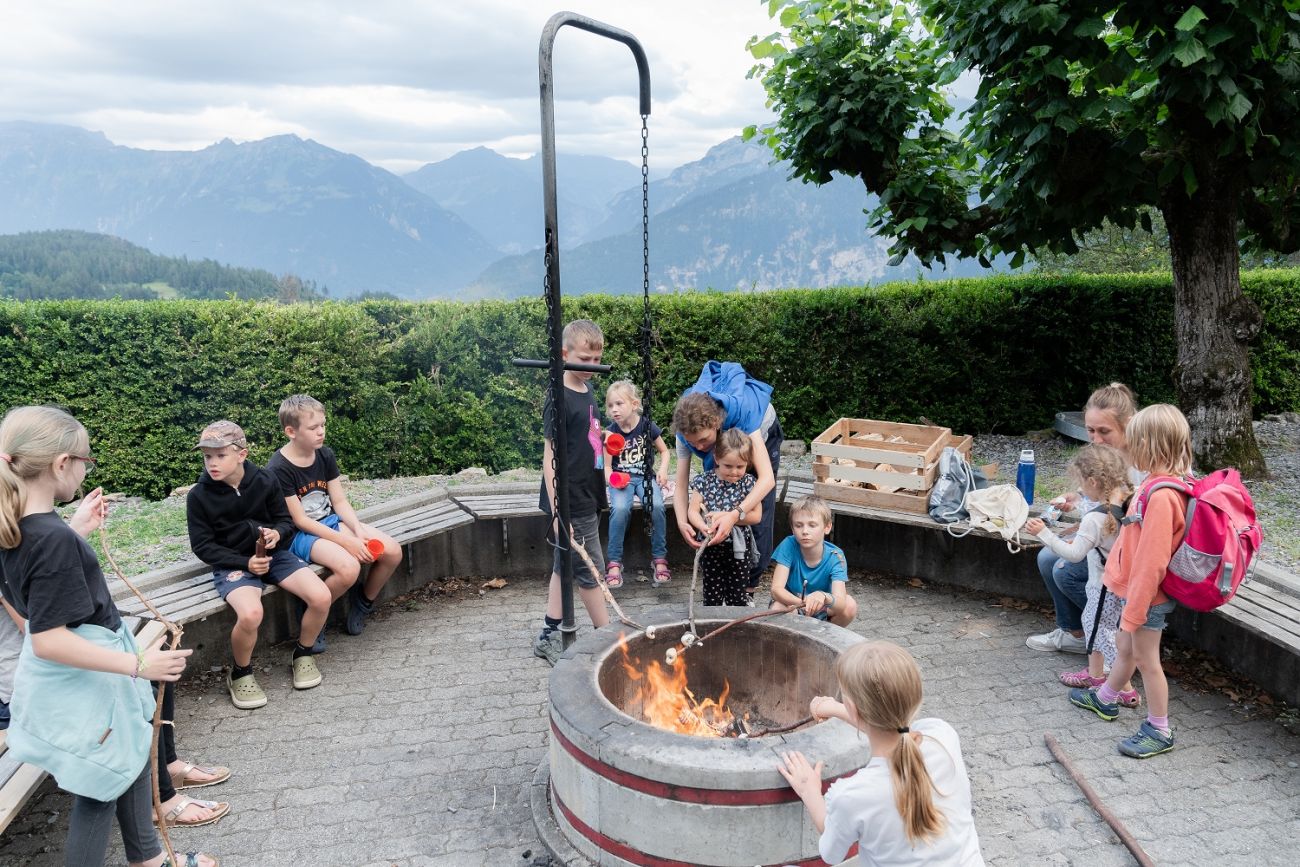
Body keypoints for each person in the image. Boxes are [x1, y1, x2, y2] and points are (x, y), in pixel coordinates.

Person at [0, 405, 218, 867]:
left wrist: (76, 530)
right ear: (62, 463)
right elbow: (48, 639)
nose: (86, 469)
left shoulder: (21, 528)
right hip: (89, 675)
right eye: (86, 460)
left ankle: (148, 857)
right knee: (100, 787)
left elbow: (38, 590)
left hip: (83, 673)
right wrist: (139, 664)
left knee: (130, 753)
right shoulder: (51, 539)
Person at [777, 641, 984, 866]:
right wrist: (836, 709)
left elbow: (831, 854)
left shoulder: (851, 795)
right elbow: (894, 729)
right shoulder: (943, 736)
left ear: (853, 708)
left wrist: (809, 791)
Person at [1070, 404, 1192, 758]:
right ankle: (1106, 697)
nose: (1127, 449)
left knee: (1146, 660)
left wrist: (1135, 610)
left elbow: (1152, 563)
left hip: (1147, 599)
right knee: (1124, 648)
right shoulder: (1152, 484)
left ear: (1150, 446)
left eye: (1134, 442)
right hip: (1135, 594)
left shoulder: (1163, 497)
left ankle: (1160, 728)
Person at [187, 420, 328, 707]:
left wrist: (278, 534)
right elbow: (203, 546)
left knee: (321, 596)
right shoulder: (198, 496)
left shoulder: (265, 480)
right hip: (233, 563)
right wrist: (245, 562)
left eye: (220, 455)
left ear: (242, 454)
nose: (212, 463)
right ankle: (240, 673)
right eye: (207, 456)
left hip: (274, 556)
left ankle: (303, 653)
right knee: (251, 614)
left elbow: (285, 521)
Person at [268, 394, 402, 639]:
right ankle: (313, 615)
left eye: (323, 424)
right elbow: (300, 521)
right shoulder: (278, 468)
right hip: (298, 534)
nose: (321, 431)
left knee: (392, 551)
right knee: (349, 569)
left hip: (329, 521)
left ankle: (362, 603)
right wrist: (347, 542)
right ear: (291, 431)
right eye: (313, 428)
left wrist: (357, 530)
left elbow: (339, 501)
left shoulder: (324, 454)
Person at [1026, 382, 1139, 653]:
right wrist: (1077, 497)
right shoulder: (1110, 451)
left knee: (1063, 570)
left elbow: (1129, 512)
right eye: (1090, 430)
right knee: (1047, 558)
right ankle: (1076, 633)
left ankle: (1111, 636)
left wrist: (1057, 532)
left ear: (1128, 424)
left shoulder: (1142, 460)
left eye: (1104, 431)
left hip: (1130, 548)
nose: (1096, 439)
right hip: (1109, 537)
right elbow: (1101, 490)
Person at [1023, 445, 1138, 706]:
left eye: (1082, 484)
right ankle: (1096, 677)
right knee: (1095, 629)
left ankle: (1125, 690)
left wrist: (1044, 533)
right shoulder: (1124, 503)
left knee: (1102, 636)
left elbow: (1073, 555)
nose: (1081, 490)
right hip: (1119, 584)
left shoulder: (1094, 519)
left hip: (1103, 588)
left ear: (1093, 482)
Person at [532, 319, 610, 665]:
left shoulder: (585, 388)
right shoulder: (558, 396)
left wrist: (604, 439)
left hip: (589, 491)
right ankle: (608, 637)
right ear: (564, 355)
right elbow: (549, 456)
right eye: (584, 359)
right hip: (569, 498)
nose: (592, 366)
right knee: (591, 569)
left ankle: (548, 634)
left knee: (563, 565)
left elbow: (586, 436)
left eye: (597, 360)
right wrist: (556, 509)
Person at [672, 361, 782, 601]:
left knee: (755, 511)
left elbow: (766, 480)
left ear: (716, 424)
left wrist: (735, 514)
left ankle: (748, 590)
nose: (698, 447)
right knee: (718, 498)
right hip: (725, 440)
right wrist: (682, 522)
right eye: (693, 442)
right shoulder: (685, 432)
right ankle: (722, 574)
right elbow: (681, 484)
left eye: (703, 440)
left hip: (760, 429)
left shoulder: (743, 415)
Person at [602, 380, 671, 588]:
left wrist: (662, 470)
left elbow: (664, 451)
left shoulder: (646, 426)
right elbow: (607, 467)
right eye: (610, 405)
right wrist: (612, 480)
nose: (614, 410)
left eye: (619, 404)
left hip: (645, 478)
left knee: (656, 506)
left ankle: (659, 558)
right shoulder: (610, 433)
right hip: (621, 480)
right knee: (620, 509)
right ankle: (614, 562)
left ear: (634, 404)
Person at [685, 429, 763, 607]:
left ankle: (736, 623)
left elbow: (756, 516)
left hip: (739, 549)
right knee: (711, 595)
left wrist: (729, 517)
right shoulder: (703, 481)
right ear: (717, 458)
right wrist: (702, 526)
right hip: (711, 547)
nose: (734, 472)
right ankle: (713, 622)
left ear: (747, 463)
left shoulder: (749, 483)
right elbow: (693, 511)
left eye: (740, 467)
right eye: (728, 466)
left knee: (737, 595)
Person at [768, 495, 858, 626]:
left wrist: (823, 596)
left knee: (850, 605)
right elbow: (776, 590)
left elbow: (840, 603)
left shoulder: (836, 556)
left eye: (812, 525)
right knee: (777, 608)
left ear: (827, 527)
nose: (805, 531)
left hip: (822, 606)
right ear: (792, 528)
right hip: (792, 603)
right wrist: (803, 603)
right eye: (799, 525)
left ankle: (826, 634)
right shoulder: (788, 545)